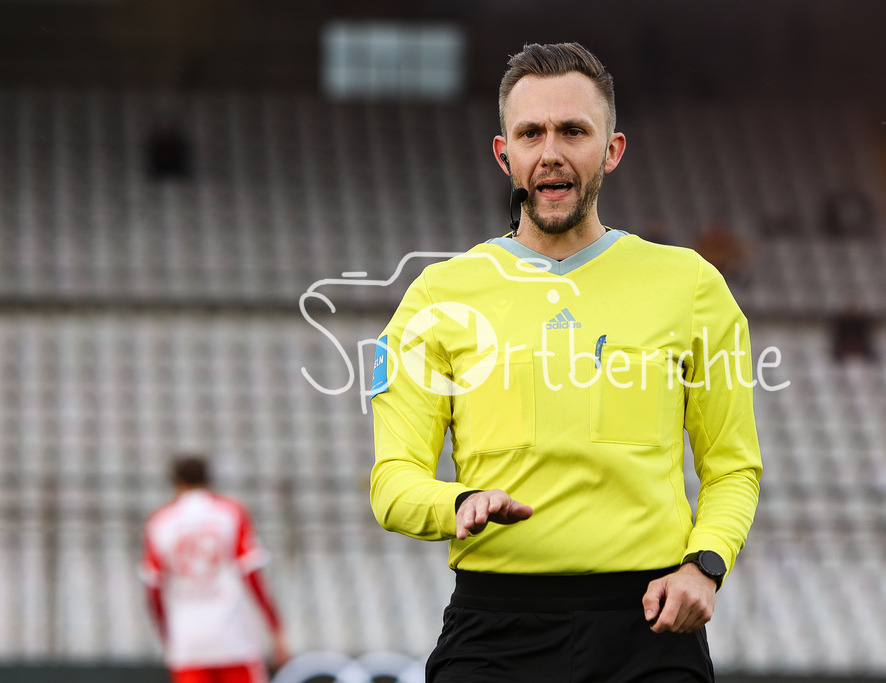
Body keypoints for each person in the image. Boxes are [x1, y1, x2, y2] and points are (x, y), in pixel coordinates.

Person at [370, 42, 761, 682]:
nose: (550, 151)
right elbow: (392, 483)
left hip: (649, 630)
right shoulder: (438, 295)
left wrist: (706, 564)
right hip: (494, 629)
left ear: (611, 150)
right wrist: (458, 501)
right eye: (531, 133)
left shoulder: (690, 285)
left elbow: (732, 468)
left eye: (573, 131)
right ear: (506, 155)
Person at [140, 455, 288, 683]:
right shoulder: (230, 513)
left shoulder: (160, 522)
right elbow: (252, 576)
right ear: (208, 479)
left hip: (188, 641)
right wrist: (275, 628)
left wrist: (165, 632)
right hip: (234, 637)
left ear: (175, 482)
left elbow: (154, 589)